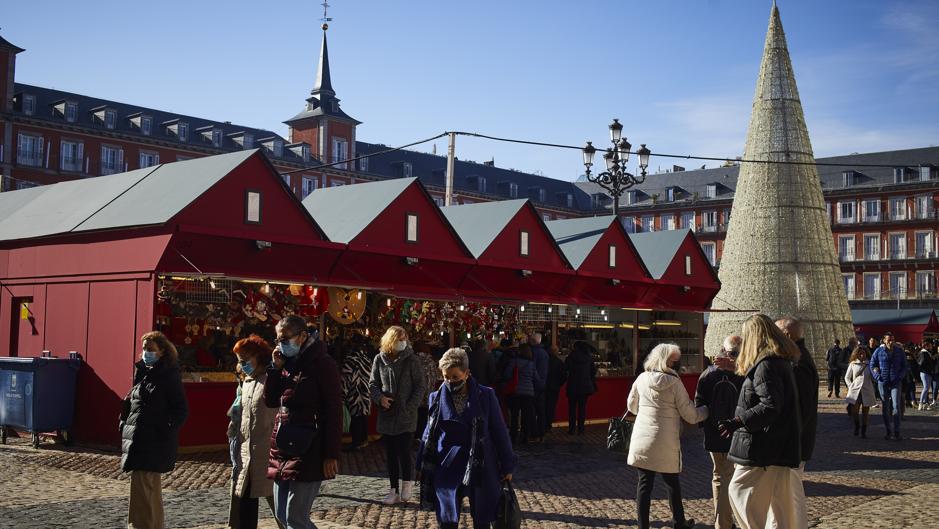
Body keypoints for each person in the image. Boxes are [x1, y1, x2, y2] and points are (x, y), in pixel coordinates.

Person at [416, 348, 517, 529]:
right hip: (447, 464)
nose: (449, 381)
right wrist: (420, 464)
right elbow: (428, 433)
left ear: (467, 373)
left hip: (481, 464)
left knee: (482, 518)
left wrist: (507, 464)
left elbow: (499, 430)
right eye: (446, 377)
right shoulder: (435, 398)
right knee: (447, 519)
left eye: (455, 377)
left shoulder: (485, 395)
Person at [718, 314, 801, 529]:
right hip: (777, 444)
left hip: (762, 445)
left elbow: (770, 404)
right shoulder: (779, 361)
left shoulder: (767, 365)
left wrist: (738, 421)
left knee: (740, 493)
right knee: (779, 506)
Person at [265, 315, 342, 529]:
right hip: (283, 444)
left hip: (310, 445)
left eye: (285, 338)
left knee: (296, 518)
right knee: (281, 514)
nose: (281, 343)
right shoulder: (287, 363)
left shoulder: (323, 364)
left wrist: (331, 454)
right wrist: (275, 369)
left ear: (302, 336)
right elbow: (271, 400)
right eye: (278, 339)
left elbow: (333, 410)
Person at [628, 343, 706, 529]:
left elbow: (632, 406)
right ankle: (679, 522)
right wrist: (706, 411)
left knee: (644, 485)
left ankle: (643, 525)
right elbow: (690, 414)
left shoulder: (642, 378)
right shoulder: (675, 383)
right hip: (666, 441)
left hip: (643, 439)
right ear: (668, 362)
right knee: (672, 482)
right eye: (675, 361)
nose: (677, 364)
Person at [120, 331, 189, 529]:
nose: (145, 352)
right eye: (144, 348)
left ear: (162, 352)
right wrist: (123, 423)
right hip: (138, 439)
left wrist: (164, 431)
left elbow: (180, 409)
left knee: (147, 490)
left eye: (150, 349)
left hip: (153, 441)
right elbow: (135, 403)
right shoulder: (143, 372)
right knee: (142, 491)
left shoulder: (167, 375)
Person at [229, 336, 282, 529]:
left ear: (258, 357)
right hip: (246, 455)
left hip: (269, 453)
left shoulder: (271, 380)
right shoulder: (246, 382)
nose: (241, 363)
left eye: (245, 358)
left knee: (280, 508)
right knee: (245, 507)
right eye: (238, 358)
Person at [369, 326, 425, 504]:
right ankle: (393, 489)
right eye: (400, 338)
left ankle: (407, 485)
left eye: (405, 337)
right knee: (391, 453)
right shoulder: (380, 359)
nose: (403, 341)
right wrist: (380, 399)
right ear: (391, 341)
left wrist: (410, 406)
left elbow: (420, 386)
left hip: (406, 414)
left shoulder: (412, 360)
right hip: (387, 413)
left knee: (404, 451)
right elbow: (373, 384)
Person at [774, 317, 820, 529]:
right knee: (788, 497)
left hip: (794, 445)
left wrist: (787, 441)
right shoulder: (796, 359)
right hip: (795, 444)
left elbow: (802, 409)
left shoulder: (798, 363)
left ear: (787, 335)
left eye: (776, 334)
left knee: (789, 497)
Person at [695, 336, 744, 529]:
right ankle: (731, 522)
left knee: (719, 476)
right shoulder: (743, 374)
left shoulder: (708, 374)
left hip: (715, 434)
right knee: (734, 478)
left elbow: (699, 404)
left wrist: (708, 426)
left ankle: (722, 523)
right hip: (737, 432)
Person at [869, 331, 909, 440]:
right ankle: (888, 431)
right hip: (883, 381)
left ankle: (897, 431)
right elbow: (872, 364)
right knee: (885, 406)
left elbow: (905, 366)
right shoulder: (878, 351)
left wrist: (900, 376)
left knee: (896, 406)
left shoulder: (899, 351)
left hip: (896, 381)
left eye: (892, 339)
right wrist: (877, 376)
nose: (891, 341)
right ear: (884, 340)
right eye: (888, 339)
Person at [340, 335, 374, 451]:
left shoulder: (350, 360)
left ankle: (356, 443)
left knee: (356, 418)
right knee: (363, 417)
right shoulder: (367, 359)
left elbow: (346, 378)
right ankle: (363, 441)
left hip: (355, 393)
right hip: (366, 392)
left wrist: (342, 394)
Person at [503, 342, 541, 444]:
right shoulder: (531, 364)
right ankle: (525, 436)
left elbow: (507, 375)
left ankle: (513, 437)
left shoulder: (514, 362)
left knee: (515, 415)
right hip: (528, 392)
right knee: (526, 415)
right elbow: (537, 378)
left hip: (515, 391)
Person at [845, 346, 875, 438]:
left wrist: (875, 372)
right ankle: (857, 425)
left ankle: (863, 430)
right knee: (855, 411)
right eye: (860, 353)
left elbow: (873, 377)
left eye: (863, 353)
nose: (862, 355)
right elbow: (847, 377)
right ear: (856, 354)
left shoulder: (870, 364)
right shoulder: (853, 364)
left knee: (865, 412)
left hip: (867, 390)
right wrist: (850, 386)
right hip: (855, 391)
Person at [415, 341, 443, 441]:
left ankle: (414, 434)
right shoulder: (431, 361)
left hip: (416, 393)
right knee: (424, 415)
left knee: (415, 414)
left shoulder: (413, 360)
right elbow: (435, 376)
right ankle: (421, 435)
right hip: (428, 392)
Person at [529, 333, 550, 442]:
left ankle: (534, 433)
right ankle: (542, 432)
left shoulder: (532, 353)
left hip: (533, 385)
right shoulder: (545, 353)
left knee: (531, 411)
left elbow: (532, 369)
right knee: (541, 410)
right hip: (542, 384)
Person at [544, 344, 567, 434]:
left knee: (544, 406)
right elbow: (564, 376)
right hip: (554, 387)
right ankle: (548, 425)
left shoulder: (545, 361)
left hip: (545, 386)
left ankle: (543, 424)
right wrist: (559, 384)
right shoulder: (559, 362)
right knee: (551, 406)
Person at [916, 341, 936, 410]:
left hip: (927, 373)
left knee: (926, 388)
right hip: (925, 373)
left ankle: (924, 403)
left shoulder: (926, 353)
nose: (931, 346)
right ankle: (921, 403)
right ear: (926, 346)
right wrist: (928, 369)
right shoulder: (923, 353)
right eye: (930, 345)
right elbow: (921, 364)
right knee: (925, 388)